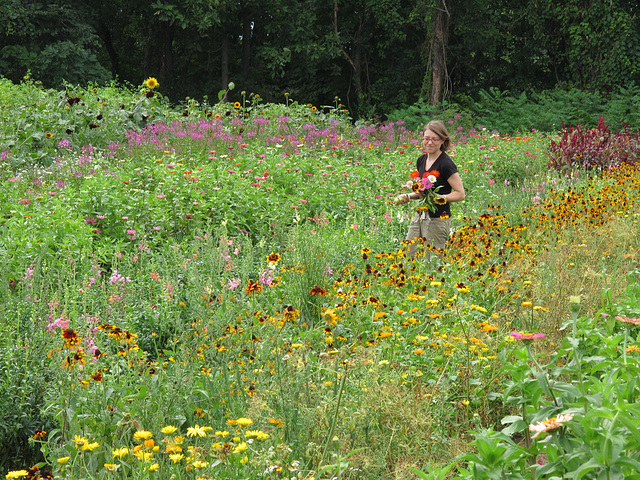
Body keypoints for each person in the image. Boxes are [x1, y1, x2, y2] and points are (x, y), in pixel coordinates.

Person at [395, 120, 465, 259]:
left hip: (438, 219)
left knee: (432, 260)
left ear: (442, 141)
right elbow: (423, 192)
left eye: (434, 139)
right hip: (420, 216)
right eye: (426, 139)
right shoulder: (421, 160)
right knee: (409, 254)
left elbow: (460, 194)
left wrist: (442, 198)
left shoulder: (446, 164)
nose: (430, 142)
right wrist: (408, 196)